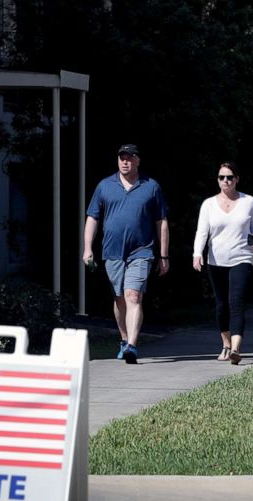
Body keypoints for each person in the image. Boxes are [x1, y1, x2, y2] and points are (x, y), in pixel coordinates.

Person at [83, 144, 170, 364]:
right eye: (122, 158)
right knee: (120, 298)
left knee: (133, 295)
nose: (125, 162)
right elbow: (93, 218)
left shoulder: (151, 187)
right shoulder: (105, 186)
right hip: (112, 251)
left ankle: (132, 345)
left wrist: (164, 255)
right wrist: (87, 248)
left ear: (138, 161)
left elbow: (162, 222)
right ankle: (123, 339)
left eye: (130, 158)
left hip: (142, 251)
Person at [192, 162, 253, 365]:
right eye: (222, 177)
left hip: (241, 257)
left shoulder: (249, 201)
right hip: (216, 260)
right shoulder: (208, 204)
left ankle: (236, 349)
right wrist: (197, 253)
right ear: (218, 180)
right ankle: (225, 344)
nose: (226, 181)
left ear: (237, 179)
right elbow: (202, 231)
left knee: (236, 302)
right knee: (222, 305)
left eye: (230, 177)